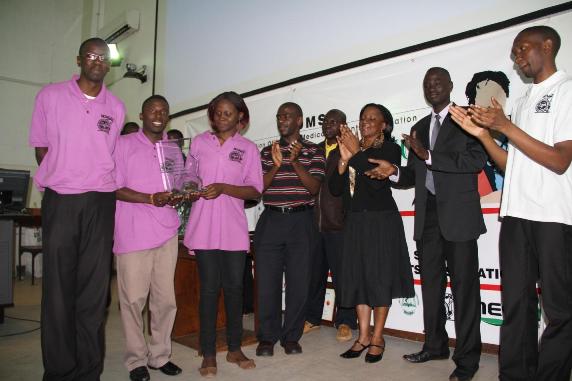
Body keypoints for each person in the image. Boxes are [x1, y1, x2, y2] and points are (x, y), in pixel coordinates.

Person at [450, 26, 572, 381]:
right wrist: (485, 136)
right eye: (515, 52)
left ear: (547, 46)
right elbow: (511, 165)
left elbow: (560, 160)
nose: (516, 57)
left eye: (522, 49)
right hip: (516, 216)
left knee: (560, 311)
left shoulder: (566, 91)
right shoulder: (521, 101)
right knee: (516, 305)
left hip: (553, 217)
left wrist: (506, 127)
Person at [366, 67, 486, 381]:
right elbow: (414, 174)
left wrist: (429, 155)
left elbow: (475, 162)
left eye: (438, 81)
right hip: (427, 217)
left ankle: (467, 360)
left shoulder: (467, 119)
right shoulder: (419, 126)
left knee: (464, 291)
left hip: (459, 217)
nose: (432, 86)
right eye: (427, 83)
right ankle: (435, 345)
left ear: (450, 85)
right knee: (432, 288)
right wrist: (393, 171)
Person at [29, 37, 125, 380]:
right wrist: (65, 174)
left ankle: (88, 370)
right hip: (62, 199)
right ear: (80, 59)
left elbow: (108, 155)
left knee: (95, 292)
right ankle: (59, 370)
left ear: (109, 65)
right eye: (91, 55)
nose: (98, 61)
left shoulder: (115, 107)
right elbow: (42, 149)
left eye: (104, 57)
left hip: (100, 201)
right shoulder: (50, 96)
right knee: (57, 288)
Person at [183, 91, 263, 378]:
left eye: (228, 112)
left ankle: (234, 348)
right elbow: (188, 174)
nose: (221, 117)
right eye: (217, 112)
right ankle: (207, 353)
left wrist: (224, 187)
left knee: (234, 290)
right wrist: (190, 185)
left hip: (233, 229)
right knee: (207, 291)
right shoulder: (199, 143)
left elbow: (255, 190)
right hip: (203, 227)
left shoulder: (249, 149)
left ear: (240, 116)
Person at [330, 104, 414, 363]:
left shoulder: (387, 149)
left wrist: (354, 152)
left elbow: (375, 180)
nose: (365, 121)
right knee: (358, 279)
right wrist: (343, 159)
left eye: (372, 118)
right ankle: (363, 336)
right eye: (363, 117)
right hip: (355, 222)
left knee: (379, 279)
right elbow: (334, 189)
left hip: (381, 221)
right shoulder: (354, 150)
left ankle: (378, 337)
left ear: (384, 125)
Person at [113, 95, 183, 381]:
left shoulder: (172, 149)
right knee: (133, 302)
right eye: (153, 109)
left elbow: (178, 185)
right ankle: (135, 361)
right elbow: (112, 187)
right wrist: (149, 198)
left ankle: (160, 355)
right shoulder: (122, 144)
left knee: (165, 301)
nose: (159, 114)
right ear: (141, 115)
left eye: (164, 111)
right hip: (133, 233)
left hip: (167, 231)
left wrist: (183, 192)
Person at [254, 102, 326, 357]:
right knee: (267, 283)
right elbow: (258, 189)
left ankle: (291, 337)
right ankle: (266, 338)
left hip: (301, 220)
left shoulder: (314, 151)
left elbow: (314, 188)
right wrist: (276, 165)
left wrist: (295, 163)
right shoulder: (266, 152)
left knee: (298, 283)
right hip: (271, 220)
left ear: (299, 121)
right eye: (279, 116)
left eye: (287, 115)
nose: (282, 119)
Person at [303, 109, 357, 341]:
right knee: (314, 275)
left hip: (340, 226)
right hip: (314, 225)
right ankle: (312, 318)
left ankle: (345, 321)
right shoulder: (313, 150)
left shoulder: (350, 150)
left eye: (334, 122)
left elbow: (354, 187)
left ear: (343, 126)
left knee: (343, 276)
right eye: (325, 121)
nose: (328, 125)